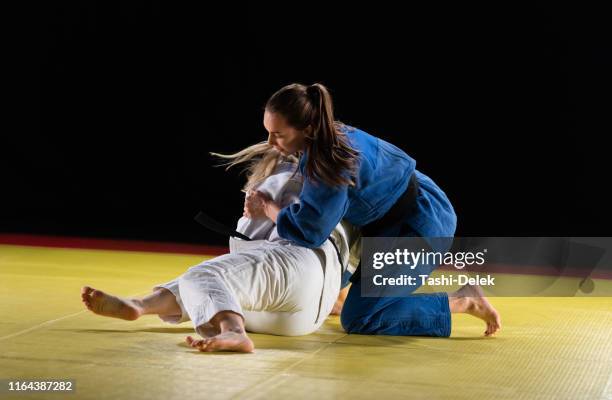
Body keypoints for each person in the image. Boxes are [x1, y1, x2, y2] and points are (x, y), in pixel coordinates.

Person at [245, 83, 501, 337]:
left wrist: (268, 208)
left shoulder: (329, 166)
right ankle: (345, 293)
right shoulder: (330, 133)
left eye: (278, 134)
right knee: (325, 284)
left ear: (307, 128)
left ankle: (463, 300)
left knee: (359, 318)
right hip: (397, 215)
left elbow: (309, 231)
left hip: (420, 227)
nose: (269, 141)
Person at [81, 144, 357, 352]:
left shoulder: (290, 172)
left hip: (296, 267)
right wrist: (337, 296)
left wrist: (263, 207)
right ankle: (141, 305)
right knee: (218, 284)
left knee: (201, 277)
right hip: (303, 319)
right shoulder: (341, 197)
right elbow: (348, 256)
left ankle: (234, 331)